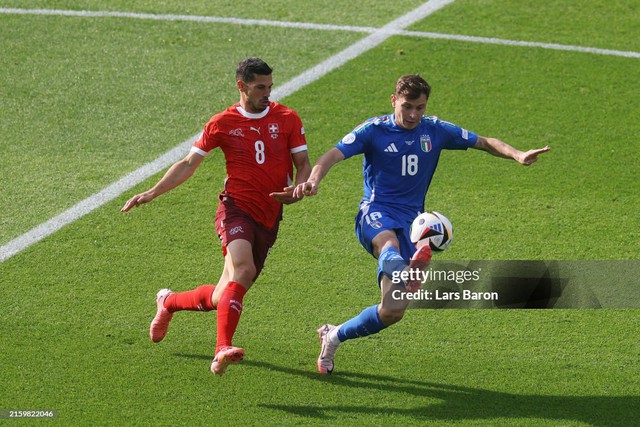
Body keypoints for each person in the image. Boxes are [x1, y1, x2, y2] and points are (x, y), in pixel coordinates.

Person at [294, 74, 550, 374]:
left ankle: (333, 336)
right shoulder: (373, 130)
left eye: (420, 107)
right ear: (393, 101)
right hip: (375, 213)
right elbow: (332, 156)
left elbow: (484, 142)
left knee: (391, 312)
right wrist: (313, 181)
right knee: (387, 245)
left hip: (412, 224)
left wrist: (517, 154)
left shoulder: (435, 129)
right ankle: (407, 270)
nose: (414, 114)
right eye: (407, 107)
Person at [121, 57, 311, 376]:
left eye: (270, 86)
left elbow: (303, 162)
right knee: (244, 268)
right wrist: (151, 192)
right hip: (235, 208)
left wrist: (299, 188)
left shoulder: (287, 118)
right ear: (242, 87)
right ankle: (222, 348)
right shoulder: (222, 122)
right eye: (259, 87)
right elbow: (187, 163)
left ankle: (169, 302)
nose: (267, 93)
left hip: (269, 214)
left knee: (226, 293)